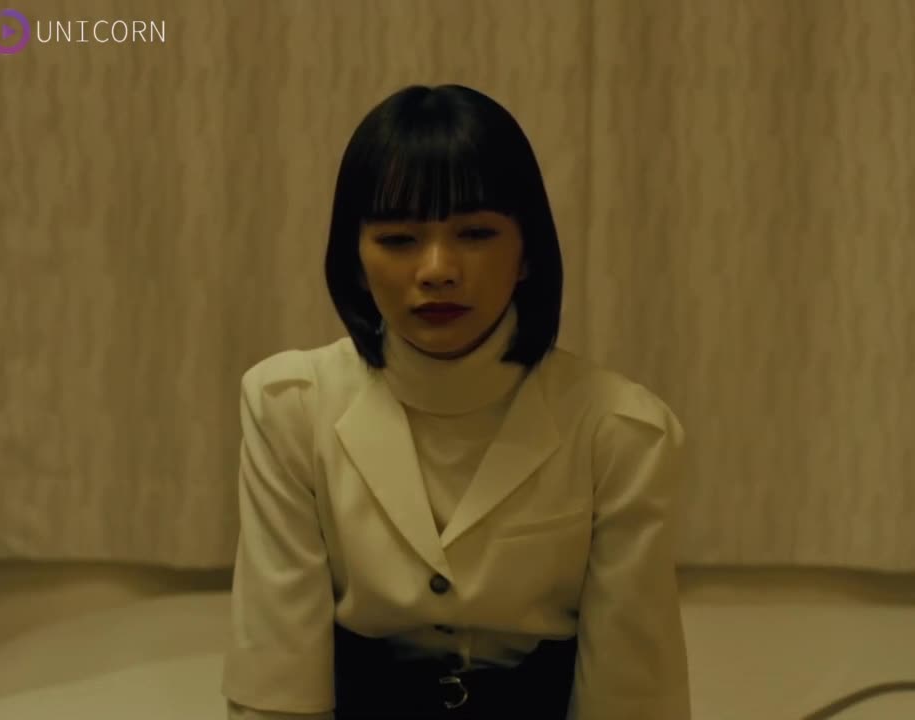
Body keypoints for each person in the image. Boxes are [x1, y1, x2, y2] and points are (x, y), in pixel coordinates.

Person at [220, 84, 691, 720]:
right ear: (355, 261)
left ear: (526, 254)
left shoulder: (621, 430)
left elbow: (630, 696)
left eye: (475, 233)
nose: (438, 269)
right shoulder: (289, 407)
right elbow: (278, 682)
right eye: (399, 239)